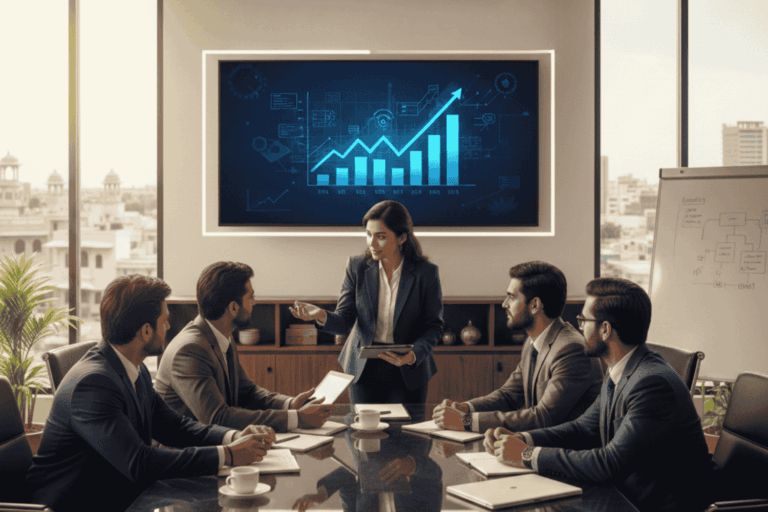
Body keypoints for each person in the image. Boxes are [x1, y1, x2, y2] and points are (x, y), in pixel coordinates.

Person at [27, 275, 274, 512]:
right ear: (146, 331)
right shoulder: (92, 385)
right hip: (79, 505)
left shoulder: (134, 368)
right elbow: (139, 462)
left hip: (122, 493)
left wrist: (232, 437)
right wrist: (228, 455)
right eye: (164, 320)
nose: (169, 326)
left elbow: (173, 426)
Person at [484, 277, 714, 512]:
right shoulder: (621, 368)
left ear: (605, 329)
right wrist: (524, 438)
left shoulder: (651, 384)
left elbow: (609, 463)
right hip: (622, 495)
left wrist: (527, 455)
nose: (579, 328)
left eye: (584, 320)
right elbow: (583, 429)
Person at [290, 200, 443, 404]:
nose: (372, 243)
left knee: (408, 425)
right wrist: (321, 315)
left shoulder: (426, 273)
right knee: (362, 424)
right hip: (363, 367)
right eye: (369, 234)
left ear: (402, 238)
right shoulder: (357, 267)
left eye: (381, 237)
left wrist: (413, 355)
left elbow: (433, 327)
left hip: (407, 367)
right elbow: (344, 320)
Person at [155, 261, 334, 432]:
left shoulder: (222, 336)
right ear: (233, 307)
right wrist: (297, 419)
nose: (254, 302)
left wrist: (289, 404)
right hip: (185, 450)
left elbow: (247, 392)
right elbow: (217, 418)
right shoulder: (189, 350)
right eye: (251, 297)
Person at [433, 261, 603, 433]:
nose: (504, 304)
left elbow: (543, 417)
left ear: (535, 305)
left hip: (568, 447)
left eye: (512, 297)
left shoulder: (571, 349)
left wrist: (466, 421)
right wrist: (465, 408)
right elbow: (509, 395)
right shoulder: (532, 342)